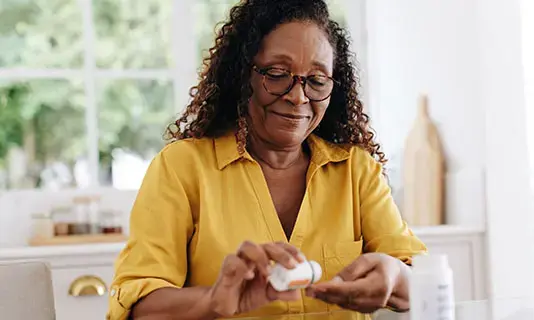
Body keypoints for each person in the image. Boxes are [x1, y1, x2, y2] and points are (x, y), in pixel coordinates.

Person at [107, 0, 427, 319]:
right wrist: (213, 301)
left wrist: (394, 275)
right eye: (276, 74)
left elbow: (421, 281)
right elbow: (140, 308)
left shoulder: (356, 171)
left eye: (316, 81)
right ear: (242, 75)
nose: (298, 96)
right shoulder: (182, 167)